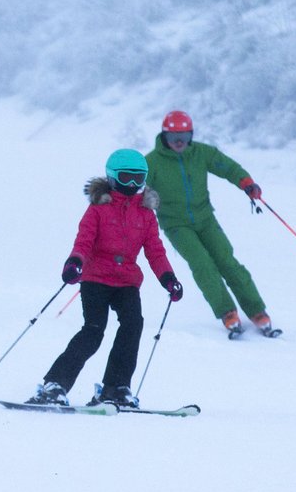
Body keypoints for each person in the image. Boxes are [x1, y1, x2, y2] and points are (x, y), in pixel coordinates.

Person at [25, 149, 182, 409]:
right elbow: (84, 241)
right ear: (112, 178)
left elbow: (155, 250)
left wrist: (168, 278)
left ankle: (115, 388)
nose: (132, 185)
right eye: (126, 178)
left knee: (133, 327)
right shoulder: (98, 209)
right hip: (96, 278)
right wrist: (75, 262)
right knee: (93, 331)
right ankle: (54, 385)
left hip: (127, 282)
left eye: (138, 179)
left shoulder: (145, 213)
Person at [145, 110, 275, 337]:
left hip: (205, 219)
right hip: (176, 225)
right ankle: (227, 312)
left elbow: (228, 167)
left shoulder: (202, 153)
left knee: (227, 261)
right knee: (203, 264)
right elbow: (137, 187)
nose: (179, 142)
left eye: (184, 137)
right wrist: (142, 200)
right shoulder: (151, 162)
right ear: (164, 137)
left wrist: (246, 183)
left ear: (191, 136)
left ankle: (257, 311)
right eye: (174, 137)